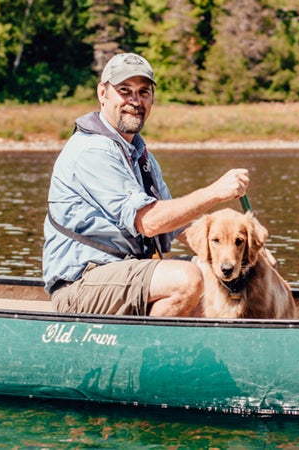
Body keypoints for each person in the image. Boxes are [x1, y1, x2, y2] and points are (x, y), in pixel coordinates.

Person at [42, 52, 250, 316]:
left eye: (144, 92)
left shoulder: (141, 156)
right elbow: (149, 222)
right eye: (125, 90)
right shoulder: (91, 151)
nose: (135, 101)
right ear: (102, 94)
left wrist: (245, 255)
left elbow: (180, 226)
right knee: (187, 279)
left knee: (215, 274)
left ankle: (194, 351)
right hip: (80, 286)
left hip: (122, 275)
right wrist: (215, 192)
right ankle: (144, 354)